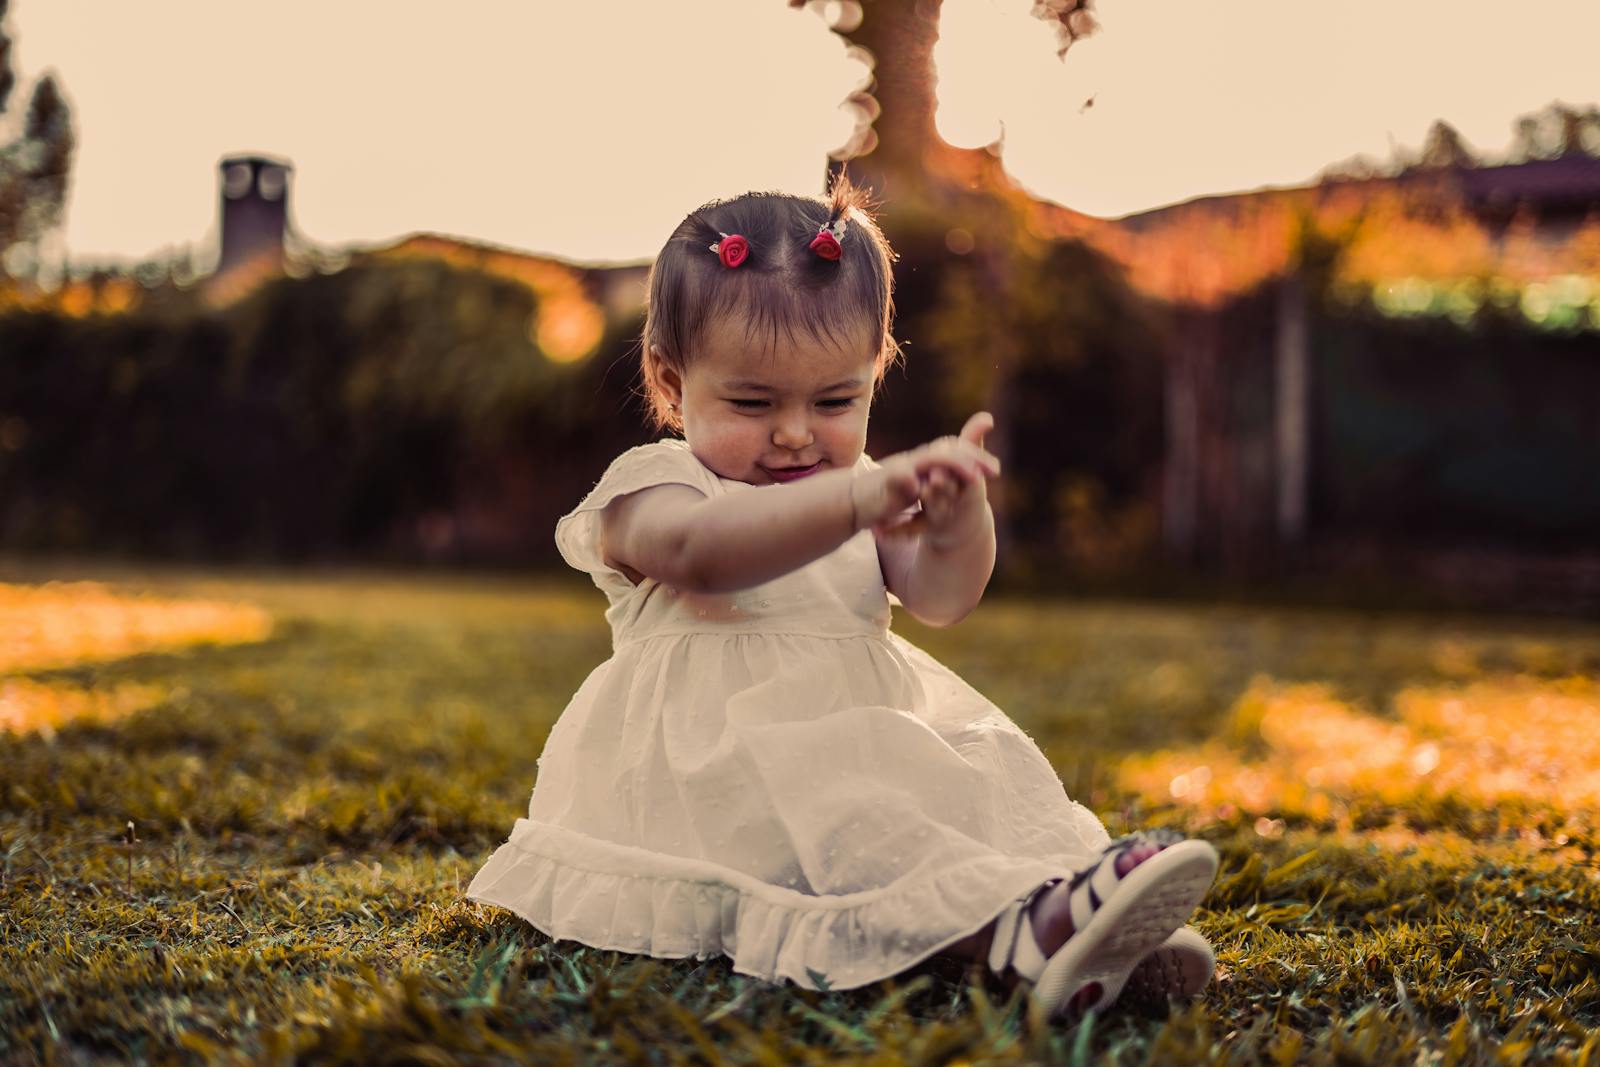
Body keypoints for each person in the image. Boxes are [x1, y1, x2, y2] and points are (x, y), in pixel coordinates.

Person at [466, 176, 1220, 1020]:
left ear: (875, 374)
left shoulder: (857, 486)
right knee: (871, 821)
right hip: (715, 776)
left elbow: (942, 596)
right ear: (671, 382)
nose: (795, 432)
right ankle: (1024, 932)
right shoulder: (657, 487)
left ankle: (1067, 919)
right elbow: (704, 557)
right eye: (753, 402)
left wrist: (957, 520)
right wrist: (858, 501)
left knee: (947, 794)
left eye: (834, 401)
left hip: (855, 740)